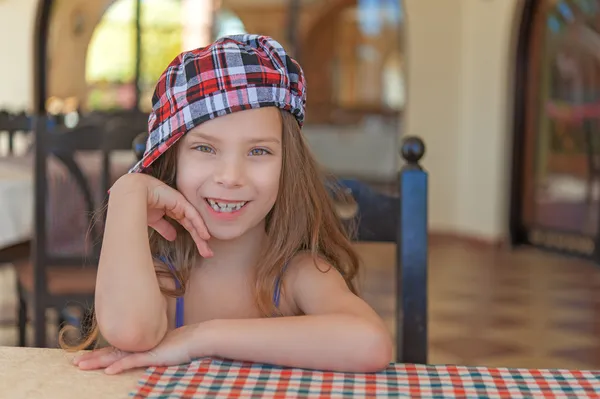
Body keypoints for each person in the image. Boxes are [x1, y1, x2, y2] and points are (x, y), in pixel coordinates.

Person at [64, 34, 392, 375]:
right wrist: (127, 193)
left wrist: (200, 338)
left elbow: (369, 343)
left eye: (258, 151)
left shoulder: (298, 274)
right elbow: (130, 333)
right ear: (172, 161)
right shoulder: (164, 278)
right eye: (205, 148)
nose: (231, 176)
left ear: (287, 166)